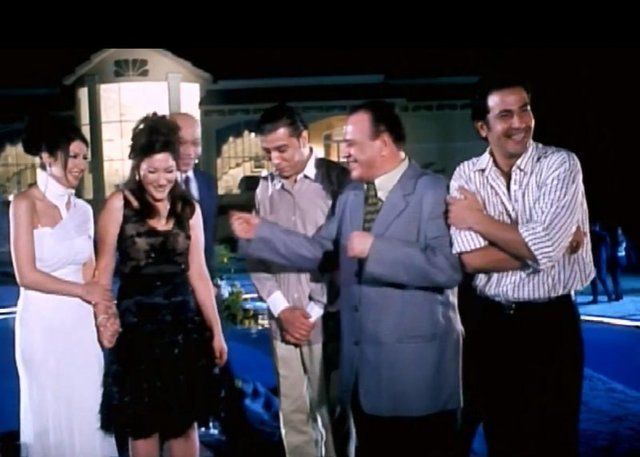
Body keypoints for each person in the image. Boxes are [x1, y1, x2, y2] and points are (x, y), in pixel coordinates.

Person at [231, 100, 463, 456]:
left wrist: (375, 250)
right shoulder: (354, 194)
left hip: (415, 374)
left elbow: (447, 268)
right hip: (364, 372)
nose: (345, 152)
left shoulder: (431, 189)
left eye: (352, 143)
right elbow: (320, 250)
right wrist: (262, 232)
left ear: (382, 143)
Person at [447, 75, 595, 456]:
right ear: (483, 127)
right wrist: (547, 249)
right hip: (491, 326)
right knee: (503, 439)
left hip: (552, 326)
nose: (520, 123)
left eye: (525, 110)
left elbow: (541, 244)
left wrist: (477, 220)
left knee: (555, 441)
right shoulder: (466, 175)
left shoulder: (561, 165)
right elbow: (471, 259)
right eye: (505, 115)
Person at [95, 113, 228, 457]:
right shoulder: (118, 205)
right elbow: (102, 275)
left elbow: (198, 273)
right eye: (152, 171)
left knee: (184, 427)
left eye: (168, 170)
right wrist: (104, 319)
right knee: (143, 429)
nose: (161, 179)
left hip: (183, 332)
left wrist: (216, 331)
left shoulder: (188, 208)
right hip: (136, 336)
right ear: (138, 167)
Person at [10, 114, 117, 456]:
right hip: (42, 327)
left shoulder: (84, 211)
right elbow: (26, 275)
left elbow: (90, 272)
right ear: (47, 156)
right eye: (74, 156)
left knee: (88, 409)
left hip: (80, 328)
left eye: (85, 157)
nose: (81, 165)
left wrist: (104, 316)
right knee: (51, 413)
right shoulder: (24, 204)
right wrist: (82, 292)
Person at [247, 103, 350, 457]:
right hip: (283, 321)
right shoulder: (264, 190)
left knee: (332, 415)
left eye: (282, 149)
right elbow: (257, 256)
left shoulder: (337, 182)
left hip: (328, 320)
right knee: (292, 415)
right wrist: (281, 309)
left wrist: (313, 310)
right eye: (267, 153)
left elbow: (344, 255)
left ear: (303, 139)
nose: (274, 160)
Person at [169, 113, 218, 272]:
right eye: (181, 143)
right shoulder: (156, 186)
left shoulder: (208, 182)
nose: (189, 152)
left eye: (195, 143)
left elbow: (209, 238)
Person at [589, 221, 614, 303]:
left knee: (594, 278)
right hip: (600, 258)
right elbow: (607, 245)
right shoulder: (603, 235)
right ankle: (609, 295)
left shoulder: (590, 234)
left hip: (592, 258)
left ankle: (595, 297)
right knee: (602, 277)